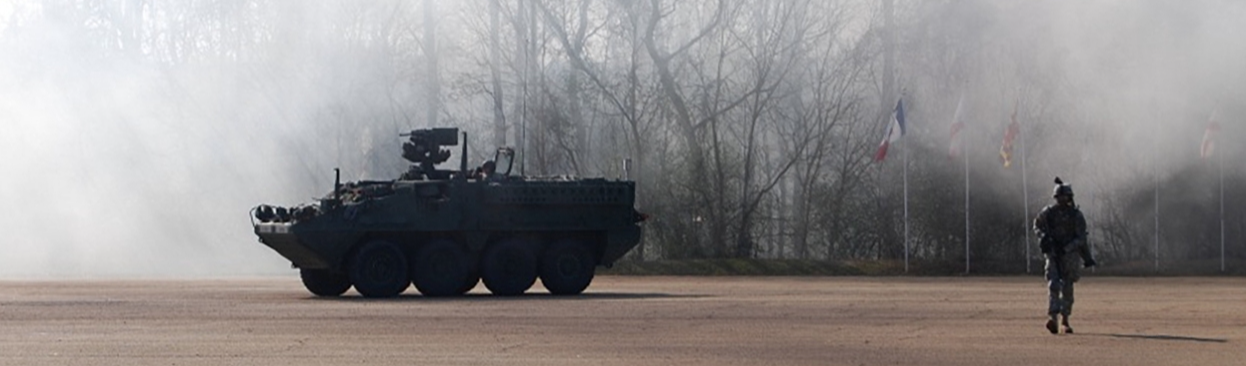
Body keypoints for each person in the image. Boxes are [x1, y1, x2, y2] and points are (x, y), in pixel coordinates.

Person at [1033, 177, 1097, 334]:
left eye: (1064, 196)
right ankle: (1053, 318)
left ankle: (1065, 320)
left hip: (1069, 256)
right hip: (1053, 254)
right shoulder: (1048, 213)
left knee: (1067, 287)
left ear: (1069, 197)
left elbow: (1081, 238)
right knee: (1053, 285)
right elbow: (1036, 225)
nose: (1061, 199)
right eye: (1059, 196)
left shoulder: (1076, 216)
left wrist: (1068, 248)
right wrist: (1044, 238)